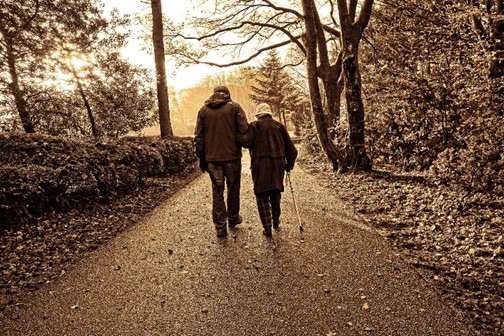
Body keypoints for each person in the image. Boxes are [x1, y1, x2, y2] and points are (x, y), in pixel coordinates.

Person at [194, 86, 249, 238]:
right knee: (233, 188)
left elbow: (199, 136)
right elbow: (244, 129)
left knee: (217, 191)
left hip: (213, 160)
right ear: (227, 94)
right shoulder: (234, 107)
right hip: (232, 157)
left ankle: (220, 227)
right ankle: (233, 218)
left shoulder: (203, 110)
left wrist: (201, 157)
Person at [240, 103, 297, 237]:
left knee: (262, 195)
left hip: (260, 164)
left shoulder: (254, 126)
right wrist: (288, 166)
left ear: (258, 114)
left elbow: (246, 142)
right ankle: (276, 222)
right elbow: (293, 151)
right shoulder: (280, 126)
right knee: (275, 192)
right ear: (270, 113)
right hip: (278, 163)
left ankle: (267, 228)